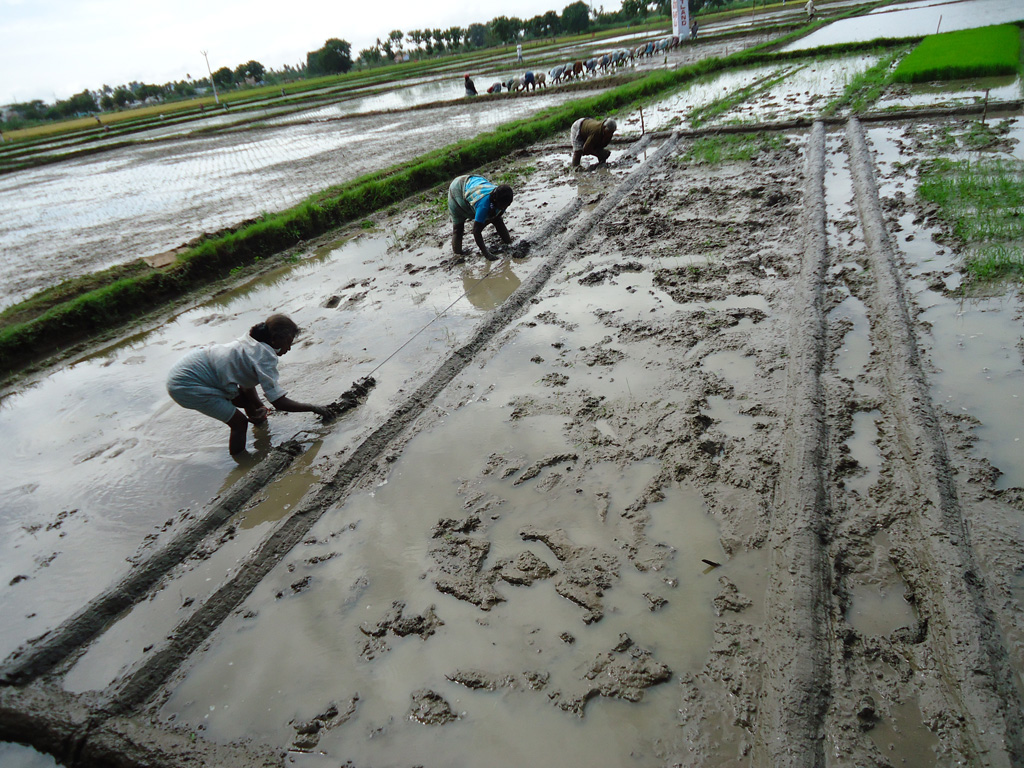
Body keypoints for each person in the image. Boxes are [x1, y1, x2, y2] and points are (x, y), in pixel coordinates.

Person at [166, 314, 331, 455]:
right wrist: (313, 407)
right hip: (188, 384)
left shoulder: (251, 343)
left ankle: (257, 419)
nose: (289, 347)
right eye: (288, 342)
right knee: (239, 423)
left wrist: (258, 405)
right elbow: (279, 402)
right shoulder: (265, 356)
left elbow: (246, 384)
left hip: (191, 370)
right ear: (275, 340)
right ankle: (241, 460)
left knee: (247, 404)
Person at [448, 175, 514, 260]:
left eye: (508, 205)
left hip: (474, 183)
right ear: (496, 201)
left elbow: (498, 217)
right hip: (457, 189)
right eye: (503, 206)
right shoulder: (483, 205)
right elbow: (476, 231)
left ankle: (508, 241)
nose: (505, 208)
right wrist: (487, 254)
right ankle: (458, 255)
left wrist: (510, 244)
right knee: (458, 228)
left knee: (497, 219)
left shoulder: (501, 195)